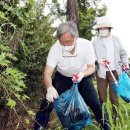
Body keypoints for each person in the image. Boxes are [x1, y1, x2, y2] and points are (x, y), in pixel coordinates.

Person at [34, 21, 110, 130]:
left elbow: (91, 67)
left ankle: (107, 127)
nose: (65, 45)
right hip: (62, 77)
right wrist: (49, 88)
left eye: (68, 41)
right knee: (46, 104)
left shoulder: (86, 45)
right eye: (61, 42)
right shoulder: (55, 49)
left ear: (76, 37)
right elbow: (47, 73)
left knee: (96, 104)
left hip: (82, 76)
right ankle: (38, 128)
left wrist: (82, 74)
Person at [92, 16, 129, 124]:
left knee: (114, 98)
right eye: (100, 29)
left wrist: (125, 63)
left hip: (114, 72)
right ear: (98, 30)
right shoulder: (95, 42)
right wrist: (98, 60)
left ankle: (115, 118)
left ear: (109, 28)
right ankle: (104, 119)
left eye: (105, 28)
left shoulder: (116, 39)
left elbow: (123, 54)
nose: (102, 30)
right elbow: (91, 56)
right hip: (101, 73)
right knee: (102, 98)